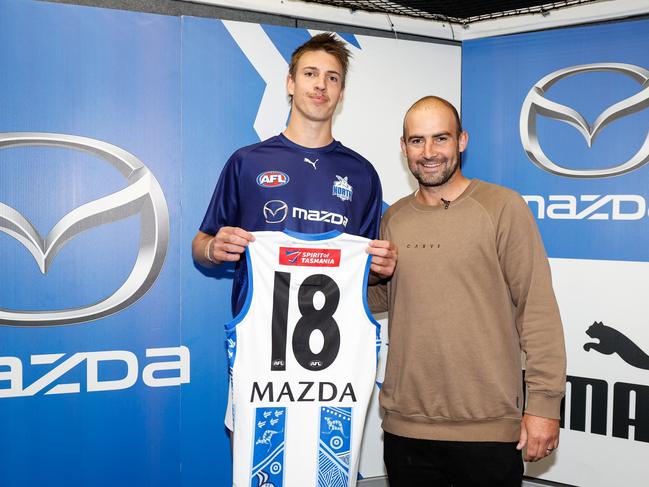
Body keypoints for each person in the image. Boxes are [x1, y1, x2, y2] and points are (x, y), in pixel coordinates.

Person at [369, 96, 566, 487]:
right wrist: (371, 276)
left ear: (462, 141)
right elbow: (388, 300)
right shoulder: (393, 218)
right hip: (406, 428)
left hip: (487, 431)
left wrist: (544, 405)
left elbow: (537, 309)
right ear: (403, 146)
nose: (428, 153)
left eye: (440, 139)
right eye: (416, 141)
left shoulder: (502, 207)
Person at [192, 33, 396, 314]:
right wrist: (212, 248)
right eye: (310, 73)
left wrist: (379, 269)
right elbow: (201, 245)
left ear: (342, 93)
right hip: (260, 333)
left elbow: (364, 269)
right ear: (290, 82)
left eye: (333, 78)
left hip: (336, 341)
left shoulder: (362, 174)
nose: (321, 85)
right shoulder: (247, 162)